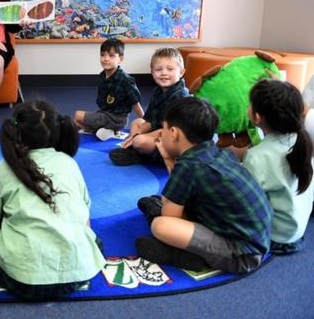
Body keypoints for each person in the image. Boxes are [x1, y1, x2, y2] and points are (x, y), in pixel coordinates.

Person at [0, 100, 106, 299]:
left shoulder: (5, 167)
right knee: (84, 226)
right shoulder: (68, 162)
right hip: (77, 274)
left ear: (16, 133)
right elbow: (85, 212)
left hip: (23, 280)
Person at [135, 97, 272, 273]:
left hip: (241, 255)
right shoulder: (219, 153)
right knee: (167, 203)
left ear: (174, 133)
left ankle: (186, 256)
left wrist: (162, 210)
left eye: (164, 129)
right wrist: (169, 159)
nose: (162, 133)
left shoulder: (189, 166)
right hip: (257, 237)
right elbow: (181, 188)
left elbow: (170, 217)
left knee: (160, 225)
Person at [243, 80, 313, 254]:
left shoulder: (256, 156)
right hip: (296, 229)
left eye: (250, 104)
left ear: (257, 117)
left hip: (275, 237)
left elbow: (247, 202)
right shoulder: (303, 141)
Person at [109, 47, 189, 166]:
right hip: (160, 132)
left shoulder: (179, 97)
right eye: (158, 69)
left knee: (139, 141)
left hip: (174, 139)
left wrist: (137, 137)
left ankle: (143, 155)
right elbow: (150, 120)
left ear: (181, 72)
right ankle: (135, 147)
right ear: (152, 73)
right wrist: (136, 134)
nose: (164, 73)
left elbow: (168, 132)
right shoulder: (158, 91)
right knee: (137, 122)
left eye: (170, 69)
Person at [74, 38, 144, 141]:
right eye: (103, 55)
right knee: (76, 123)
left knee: (78, 115)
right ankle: (108, 131)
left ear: (121, 59)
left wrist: (147, 122)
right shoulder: (103, 76)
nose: (106, 59)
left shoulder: (126, 80)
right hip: (104, 114)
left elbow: (135, 103)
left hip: (117, 119)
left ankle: (112, 129)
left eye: (111, 55)